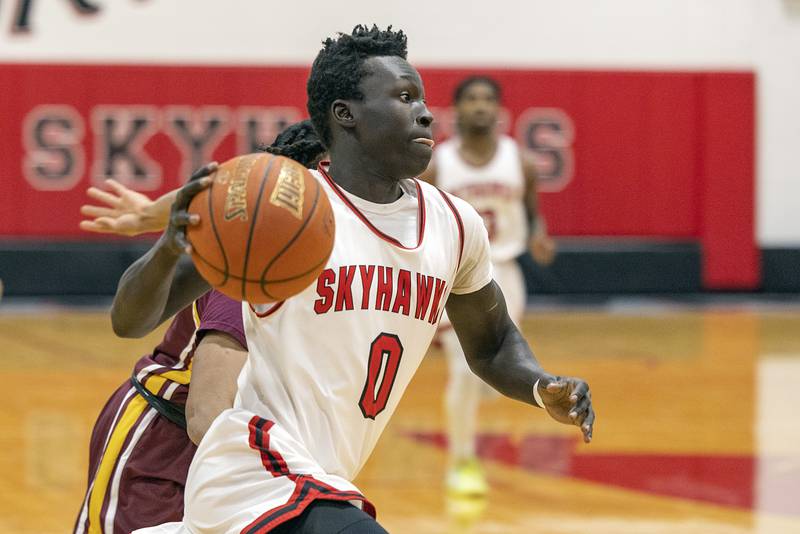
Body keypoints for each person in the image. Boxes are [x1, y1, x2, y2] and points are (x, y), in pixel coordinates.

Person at [112, 25, 594, 534]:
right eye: (405, 98)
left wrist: (542, 387)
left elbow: (492, 346)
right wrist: (170, 247)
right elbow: (130, 319)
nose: (425, 113)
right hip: (253, 473)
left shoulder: (455, 224)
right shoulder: (283, 213)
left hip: (323, 478)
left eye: (423, 98)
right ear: (346, 115)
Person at [74, 121, 327, 534]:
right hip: (167, 444)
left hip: (237, 449)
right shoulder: (260, 266)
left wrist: (147, 214)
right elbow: (207, 415)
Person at [419, 76, 556, 496]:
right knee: (464, 369)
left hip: (506, 272)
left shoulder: (521, 162)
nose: (480, 106)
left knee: (493, 370)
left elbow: (533, 213)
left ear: (498, 111)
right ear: (456, 109)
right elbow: (419, 217)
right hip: (457, 274)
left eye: (488, 100)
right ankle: (462, 462)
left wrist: (538, 234)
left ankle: (486, 384)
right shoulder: (438, 163)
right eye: (471, 99)